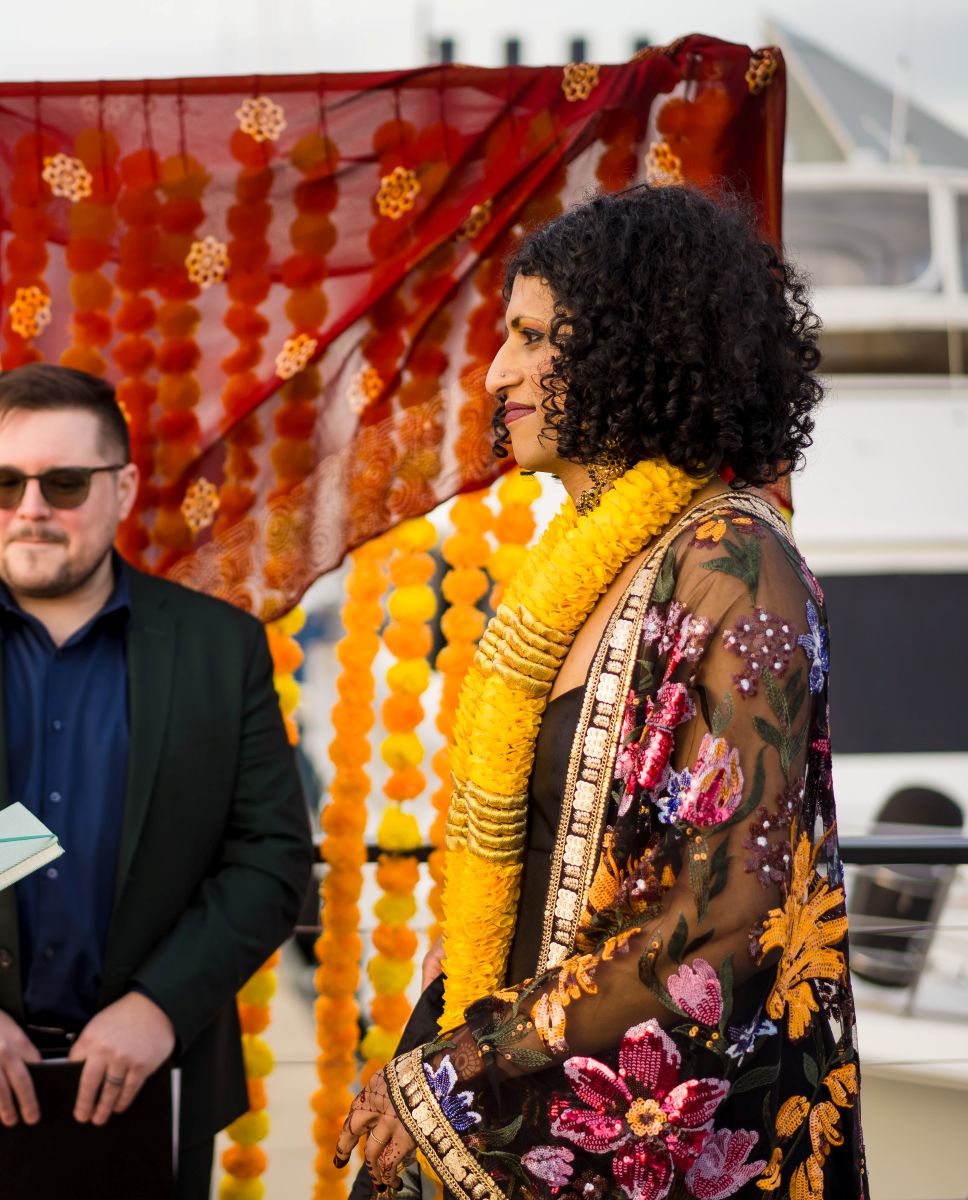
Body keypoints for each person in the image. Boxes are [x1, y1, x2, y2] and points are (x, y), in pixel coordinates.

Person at [336, 185, 870, 1200]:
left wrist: (462, 1067)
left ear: (635, 348)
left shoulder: (733, 562)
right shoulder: (577, 566)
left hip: (646, 1130)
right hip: (510, 1087)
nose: (499, 373)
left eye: (533, 338)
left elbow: (726, 920)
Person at [0, 363, 312, 1200]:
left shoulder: (222, 648)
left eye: (65, 482)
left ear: (123, 487)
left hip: (151, 1074)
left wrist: (160, 1007)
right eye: (3, 481)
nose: (29, 507)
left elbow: (271, 860)